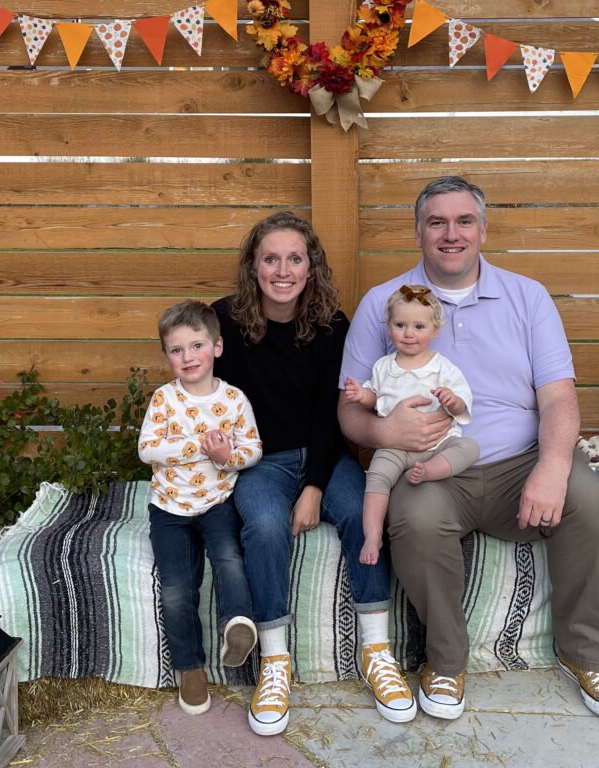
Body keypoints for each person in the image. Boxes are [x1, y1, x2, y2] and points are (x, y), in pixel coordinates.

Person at [338, 176, 599, 721]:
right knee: (420, 523)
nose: (451, 234)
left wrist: (551, 466)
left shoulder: (528, 296)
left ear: (483, 229)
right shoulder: (382, 304)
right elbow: (350, 410)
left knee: (588, 502)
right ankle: (445, 664)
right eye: (437, 222)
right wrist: (384, 434)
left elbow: (560, 398)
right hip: (428, 465)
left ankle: (586, 654)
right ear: (419, 231)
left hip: (519, 461)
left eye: (463, 221)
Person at [213, 211, 416, 736]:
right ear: (253, 266)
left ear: (311, 266)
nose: (283, 270)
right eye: (271, 258)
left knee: (361, 510)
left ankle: (377, 651)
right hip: (259, 462)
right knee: (262, 524)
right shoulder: (225, 324)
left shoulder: (331, 325)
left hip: (324, 456)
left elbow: (334, 415)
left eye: (295, 258)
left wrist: (314, 487)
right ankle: (274, 662)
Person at [139, 300, 262, 716]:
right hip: (169, 508)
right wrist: (198, 447)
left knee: (229, 558)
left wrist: (228, 457)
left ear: (218, 347)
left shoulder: (234, 399)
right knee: (177, 588)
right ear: (167, 356)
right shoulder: (163, 400)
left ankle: (238, 624)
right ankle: (189, 669)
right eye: (176, 350)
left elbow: (254, 449)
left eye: (196, 346)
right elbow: (147, 449)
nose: (187, 357)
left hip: (216, 502)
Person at [342, 284, 479, 566]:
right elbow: (375, 397)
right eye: (400, 324)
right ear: (388, 327)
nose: (409, 333)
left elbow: (463, 402)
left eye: (419, 326)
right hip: (395, 446)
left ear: (435, 330)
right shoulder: (383, 366)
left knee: (469, 447)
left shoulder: (442, 367)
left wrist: (451, 400)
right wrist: (361, 395)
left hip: (438, 444)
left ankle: (431, 471)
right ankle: (372, 535)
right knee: (377, 475)